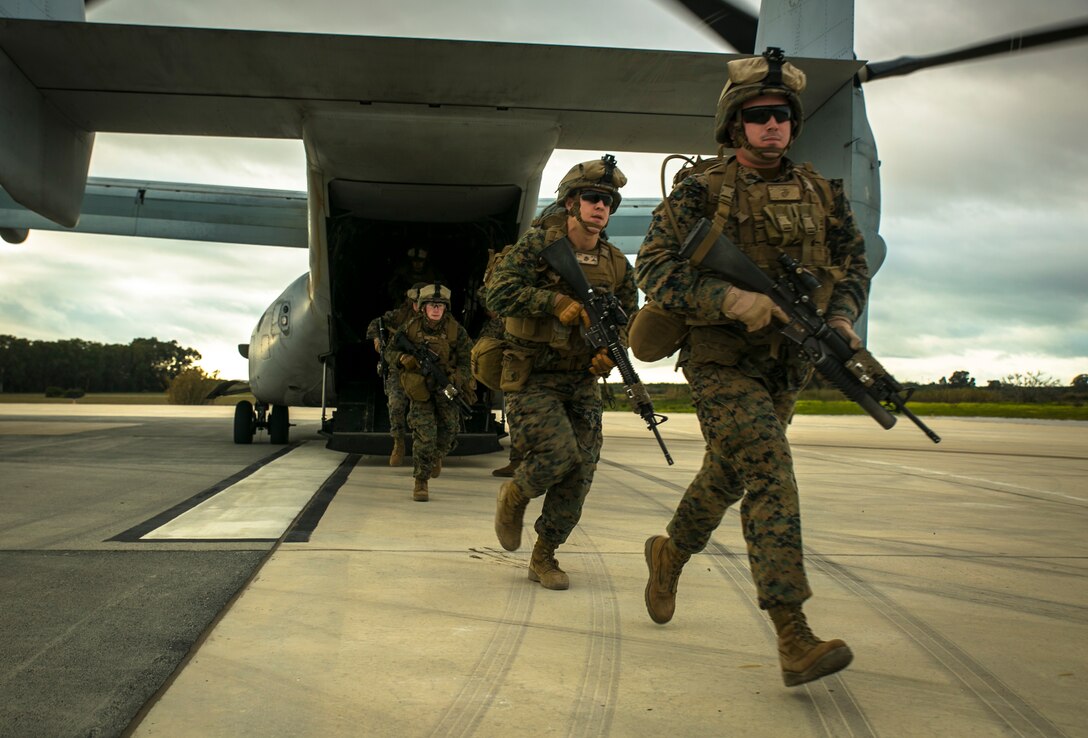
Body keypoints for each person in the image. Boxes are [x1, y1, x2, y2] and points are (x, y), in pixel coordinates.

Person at [634, 48, 870, 686]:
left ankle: (670, 552)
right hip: (718, 358)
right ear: (735, 125)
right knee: (769, 468)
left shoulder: (824, 192)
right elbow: (652, 266)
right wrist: (728, 298)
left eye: (782, 116)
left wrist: (843, 317)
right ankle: (792, 633)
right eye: (758, 115)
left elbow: (853, 264)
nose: (772, 125)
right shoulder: (701, 192)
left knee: (728, 476)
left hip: (787, 364)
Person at [486, 155, 638, 590]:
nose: (600, 207)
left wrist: (613, 352)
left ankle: (544, 555)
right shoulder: (536, 247)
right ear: (571, 203)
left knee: (582, 469)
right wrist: (554, 303)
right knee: (557, 455)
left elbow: (631, 316)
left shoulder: (615, 262)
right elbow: (497, 293)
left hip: (581, 380)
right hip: (533, 375)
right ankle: (514, 496)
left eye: (608, 201)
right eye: (592, 198)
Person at [387, 282, 472, 502]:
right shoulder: (410, 329)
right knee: (425, 436)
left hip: (446, 389)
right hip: (420, 390)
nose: (436, 309)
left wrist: (457, 379)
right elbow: (390, 351)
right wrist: (403, 359)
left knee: (450, 431)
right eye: (432, 305)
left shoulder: (456, 331)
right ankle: (421, 482)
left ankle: (436, 456)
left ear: (446, 308)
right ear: (423, 307)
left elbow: (467, 361)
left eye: (440, 306)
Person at [365, 282, 426, 466]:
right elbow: (375, 324)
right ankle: (398, 443)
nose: (418, 306)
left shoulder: (436, 319)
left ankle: (427, 449)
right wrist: (377, 339)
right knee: (396, 405)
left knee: (425, 411)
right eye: (415, 302)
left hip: (423, 371)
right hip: (398, 368)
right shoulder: (399, 316)